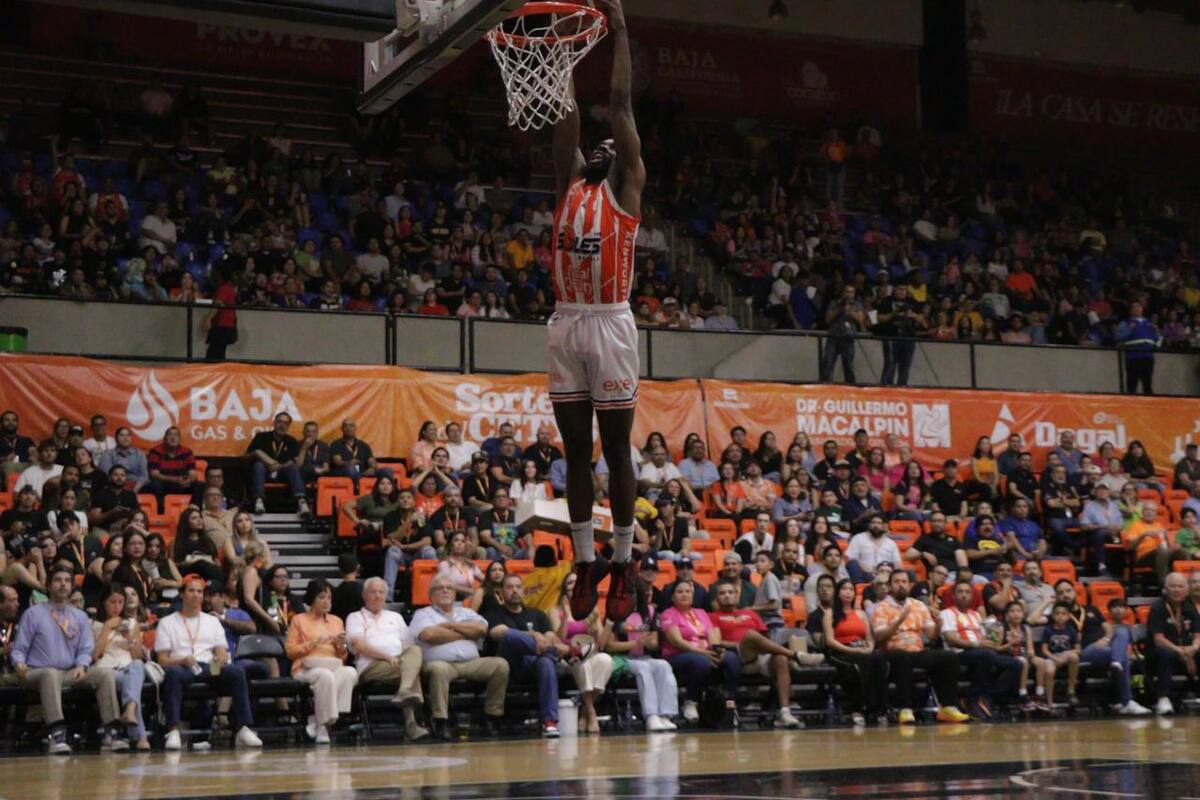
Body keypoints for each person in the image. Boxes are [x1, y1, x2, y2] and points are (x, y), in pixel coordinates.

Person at [551, 0, 646, 626]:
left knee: (615, 451)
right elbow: (567, 115)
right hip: (566, 319)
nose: (604, 143)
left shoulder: (626, 185)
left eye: (613, 143)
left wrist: (618, 31)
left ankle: (624, 558)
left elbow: (618, 105)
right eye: (599, 142)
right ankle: (586, 559)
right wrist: (556, 48)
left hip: (610, 319)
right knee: (574, 449)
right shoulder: (569, 182)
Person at [11, 564, 125, 753]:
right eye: (57, 580)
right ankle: (56, 734)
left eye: (66, 581)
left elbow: (86, 648)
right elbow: (19, 647)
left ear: (72, 586)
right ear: (48, 586)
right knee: (50, 674)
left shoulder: (79, 616)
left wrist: (82, 664)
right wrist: (19, 663)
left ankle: (111, 732)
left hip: (71, 671)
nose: (63, 585)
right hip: (36, 672)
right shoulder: (33, 614)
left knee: (104, 674)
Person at [156, 575, 262, 751]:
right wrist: (182, 659)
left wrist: (220, 659)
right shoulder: (167, 623)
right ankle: (173, 730)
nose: (195, 595)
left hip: (207, 666)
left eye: (199, 591)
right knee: (173, 674)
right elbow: (162, 660)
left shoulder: (212, 621)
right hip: (182, 666)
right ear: (182, 594)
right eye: (191, 590)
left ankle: (243, 727)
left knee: (235, 671)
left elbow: (221, 650)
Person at [409, 574, 510, 740]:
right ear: (431, 595)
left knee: (500, 665)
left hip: (472, 663)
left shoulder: (466, 611)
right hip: (441, 663)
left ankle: (492, 717)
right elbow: (429, 635)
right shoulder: (423, 614)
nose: (445, 591)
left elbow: (481, 630)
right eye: (440, 588)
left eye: (449, 588)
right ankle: (440, 721)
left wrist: (450, 625)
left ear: (455, 593)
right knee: (438, 669)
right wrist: (465, 634)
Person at [872, 570, 969, 724]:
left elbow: (931, 636)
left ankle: (948, 706)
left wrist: (938, 627)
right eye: (897, 582)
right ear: (890, 586)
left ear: (910, 585)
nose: (901, 585)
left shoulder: (918, 605)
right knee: (903, 657)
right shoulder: (882, 607)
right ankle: (905, 708)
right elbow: (878, 637)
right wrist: (898, 621)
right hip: (892, 650)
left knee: (948, 657)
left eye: (904, 582)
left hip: (917, 649)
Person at [710, 579, 810, 728]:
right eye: (722, 593)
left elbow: (765, 637)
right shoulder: (712, 617)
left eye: (730, 592)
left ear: (737, 595)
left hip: (761, 655)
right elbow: (716, 642)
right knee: (750, 635)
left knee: (780, 659)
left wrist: (758, 645)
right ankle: (795, 655)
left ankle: (785, 712)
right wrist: (740, 644)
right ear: (717, 598)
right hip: (739, 655)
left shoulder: (750, 614)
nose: (727, 596)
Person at [345, 577, 430, 741]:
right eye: (373, 592)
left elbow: (408, 645)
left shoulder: (395, 617)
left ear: (386, 596)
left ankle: (404, 691)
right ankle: (411, 725)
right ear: (364, 595)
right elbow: (359, 645)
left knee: (414, 652)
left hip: (398, 663)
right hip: (371, 666)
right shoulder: (355, 617)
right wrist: (388, 657)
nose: (377, 596)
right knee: (411, 671)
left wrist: (400, 659)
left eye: (381, 592)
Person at [484, 573, 568, 736]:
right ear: (501, 592)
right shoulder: (493, 613)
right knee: (509, 635)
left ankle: (550, 722)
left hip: (534, 665)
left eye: (518, 587)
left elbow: (551, 636)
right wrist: (535, 635)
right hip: (508, 664)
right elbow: (498, 633)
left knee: (545, 662)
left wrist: (548, 640)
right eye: (509, 587)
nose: (514, 590)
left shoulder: (537, 614)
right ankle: (556, 655)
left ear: (524, 591)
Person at [285, 578, 357, 745]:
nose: (326, 602)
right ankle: (323, 725)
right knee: (325, 676)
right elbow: (290, 651)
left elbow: (343, 655)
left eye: (329, 598)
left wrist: (341, 645)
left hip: (332, 664)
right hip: (305, 667)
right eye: (322, 597)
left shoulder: (337, 621)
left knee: (350, 672)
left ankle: (318, 721)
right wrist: (313, 642)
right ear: (312, 599)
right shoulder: (298, 620)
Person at [659, 580, 741, 725]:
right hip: (677, 655)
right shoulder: (668, 614)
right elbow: (677, 641)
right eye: (680, 592)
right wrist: (703, 653)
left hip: (705, 652)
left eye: (688, 591)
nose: (684, 594)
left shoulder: (700, 613)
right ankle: (691, 701)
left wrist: (717, 651)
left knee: (731, 658)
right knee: (700, 661)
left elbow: (712, 635)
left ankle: (730, 703)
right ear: (672, 597)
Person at [939, 579, 1022, 719]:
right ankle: (974, 699)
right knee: (986, 655)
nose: (964, 595)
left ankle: (985, 696)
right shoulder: (947, 613)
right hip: (958, 654)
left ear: (972, 596)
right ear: (954, 596)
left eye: (967, 592)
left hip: (982, 653)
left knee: (1016, 664)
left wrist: (1003, 639)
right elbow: (950, 639)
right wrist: (977, 645)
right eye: (960, 592)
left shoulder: (976, 615)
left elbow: (988, 640)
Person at [547, 573, 615, 734]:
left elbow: (601, 644)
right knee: (582, 664)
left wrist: (609, 622)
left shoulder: (591, 611)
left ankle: (585, 710)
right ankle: (591, 713)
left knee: (606, 660)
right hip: (566, 657)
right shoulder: (554, 610)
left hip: (588, 653)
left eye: (577, 583)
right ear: (565, 589)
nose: (574, 586)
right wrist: (565, 613)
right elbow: (559, 638)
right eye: (570, 582)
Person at [92, 583, 150, 750]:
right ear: (104, 603)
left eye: (120, 602)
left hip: (128, 666)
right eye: (112, 602)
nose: (117, 606)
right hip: (107, 670)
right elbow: (95, 655)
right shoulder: (94, 625)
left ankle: (130, 710)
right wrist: (108, 627)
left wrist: (130, 639)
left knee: (137, 665)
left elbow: (138, 655)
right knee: (131, 684)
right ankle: (140, 735)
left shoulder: (131, 622)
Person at [822, 578, 888, 726]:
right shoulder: (830, 613)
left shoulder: (861, 614)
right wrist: (853, 650)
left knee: (878, 657)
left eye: (851, 589)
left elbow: (870, 639)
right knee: (861, 663)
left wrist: (869, 648)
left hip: (862, 648)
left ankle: (880, 709)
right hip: (841, 651)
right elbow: (830, 640)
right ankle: (858, 709)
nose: (848, 592)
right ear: (838, 592)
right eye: (844, 589)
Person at [1146, 572, 1200, 715]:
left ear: (1186, 589)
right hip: (1159, 653)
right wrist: (1182, 652)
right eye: (1173, 586)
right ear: (1165, 589)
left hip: (1186, 651)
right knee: (1165, 652)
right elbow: (1158, 639)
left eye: (1180, 586)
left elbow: (1197, 635)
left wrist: (1193, 649)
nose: (1177, 590)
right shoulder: (1158, 607)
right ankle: (1163, 698)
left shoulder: (1190, 607)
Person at [244, 412, 311, 517]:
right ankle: (259, 501)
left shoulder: (292, 441)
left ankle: (301, 502)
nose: (282, 425)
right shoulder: (261, 437)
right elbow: (245, 458)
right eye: (279, 421)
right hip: (263, 473)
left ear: (288, 426)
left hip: (281, 474)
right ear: (274, 423)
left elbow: (296, 464)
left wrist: (278, 465)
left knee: (293, 468)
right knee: (258, 465)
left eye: (285, 423)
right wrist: (260, 455)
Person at [1122, 501, 1187, 585]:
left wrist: (1166, 539)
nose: (1149, 512)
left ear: (1156, 514)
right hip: (1142, 557)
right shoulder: (1135, 525)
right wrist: (1143, 535)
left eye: (1152, 510)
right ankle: (1163, 584)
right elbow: (1130, 546)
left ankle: (1185, 582)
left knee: (1182, 552)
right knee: (1162, 552)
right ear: (1142, 512)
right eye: (1147, 510)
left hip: (1160, 554)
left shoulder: (1159, 525)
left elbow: (1166, 546)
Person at [1038, 602, 1081, 711]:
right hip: (1051, 657)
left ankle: (1071, 691)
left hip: (1065, 655)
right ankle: (1049, 702)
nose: (1060, 616)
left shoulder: (1071, 630)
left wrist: (1067, 653)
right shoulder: (1048, 630)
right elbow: (1044, 650)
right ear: (1053, 616)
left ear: (1068, 616)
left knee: (1075, 657)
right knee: (1049, 671)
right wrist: (1055, 658)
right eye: (1057, 613)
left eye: (1063, 613)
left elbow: (1078, 649)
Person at [146, 426, 196, 508]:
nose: (173, 438)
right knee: (156, 484)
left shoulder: (187, 452)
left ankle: (194, 510)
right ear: (164, 438)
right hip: (163, 483)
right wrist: (175, 479)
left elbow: (193, 474)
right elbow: (154, 474)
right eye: (170, 435)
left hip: (181, 484)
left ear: (180, 439)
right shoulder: (156, 451)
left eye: (176, 435)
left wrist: (188, 480)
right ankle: (161, 512)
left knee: (199, 485)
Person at [1117, 300, 1159, 395]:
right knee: (1132, 383)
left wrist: (1156, 331)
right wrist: (1129, 330)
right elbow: (1118, 337)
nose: (1137, 309)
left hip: (1147, 356)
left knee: (1147, 382)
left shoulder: (1149, 323)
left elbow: (1155, 339)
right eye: (1134, 307)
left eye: (1138, 307)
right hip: (1133, 356)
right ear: (1131, 310)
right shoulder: (1125, 323)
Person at [845, 514, 902, 582]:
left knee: (909, 573)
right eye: (873, 523)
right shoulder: (858, 538)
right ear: (869, 525)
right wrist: (862, 566)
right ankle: (859, 588)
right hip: (865, 574)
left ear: (884, 526)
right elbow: (850, 559)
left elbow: (897, 563)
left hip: (886, 576)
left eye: (879, 523)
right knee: (853, 564)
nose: (876, 525)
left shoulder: (891, 543)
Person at [329, 418, 380, 482]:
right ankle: (360, 478)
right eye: (345, 426)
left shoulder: (363, 445)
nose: (348, 428)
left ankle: (361, 476)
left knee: (386, 471)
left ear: (355, 428)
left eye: (351, 425)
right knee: (351, 469)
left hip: (363, 471)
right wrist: (349, 463)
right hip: (344, 472)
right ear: (342, 429)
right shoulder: (336, 444)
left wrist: (372, 468)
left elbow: (371, 460)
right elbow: (337, 462)